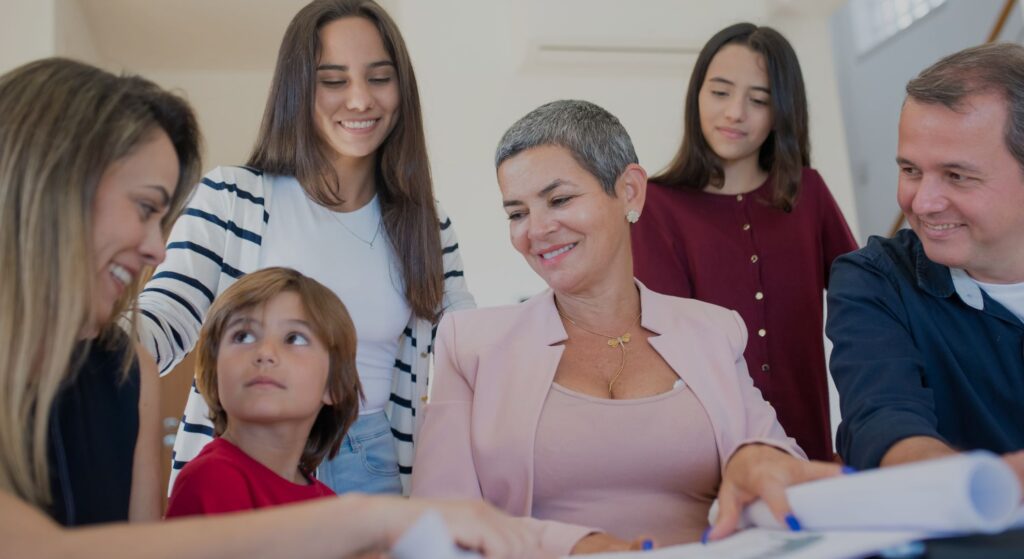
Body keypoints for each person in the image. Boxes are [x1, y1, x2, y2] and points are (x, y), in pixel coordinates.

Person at [0, 55, 544, 559]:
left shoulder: (126, 374)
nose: (155, 250)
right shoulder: (230, 207)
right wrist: (366, 520)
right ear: (49, 187)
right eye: (144, 208)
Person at [411, 100, 843, 555]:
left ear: (631, 192)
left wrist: (759, 457)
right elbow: (439, 524)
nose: (535, 230)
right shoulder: (469, 345)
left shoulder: (714, 331)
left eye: (559, 200)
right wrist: (578, 547)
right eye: (517, 213)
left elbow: (774, 464)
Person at [136, 0, 473, 495]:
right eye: (333, 80)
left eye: (380, 78)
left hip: (372, 460)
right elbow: (165, 319)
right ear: (297, 90)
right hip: (246, 456)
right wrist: (85, 338)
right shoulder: (233, 198)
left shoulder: (427, 223)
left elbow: (469, 344)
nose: (360, 99)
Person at [631, 23, 857, 461]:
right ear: (697, 95)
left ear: (782, 112)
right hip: (711, 454)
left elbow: (863, 303)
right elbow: (668, 344)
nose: (735, 112)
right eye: (720, 92)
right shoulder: (656, 205)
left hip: (809, 446)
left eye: (759, 100)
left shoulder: (808, 193)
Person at [826, 43, 1024, 486]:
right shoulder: (874, 281)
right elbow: (883, 424)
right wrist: (987, 486)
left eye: (957, 176)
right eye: (910, 170)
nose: (922, 203)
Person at [167, 268, 362, 517]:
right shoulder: (211, 480)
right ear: (215, 373)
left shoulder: (330, 506)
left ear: (334, 385)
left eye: (294, 339)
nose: (265, 353)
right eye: (243, 336)